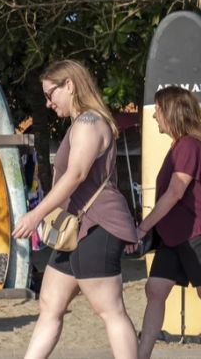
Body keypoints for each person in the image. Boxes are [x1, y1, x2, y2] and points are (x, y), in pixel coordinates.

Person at [11, 59, 138, 359]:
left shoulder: (88, 123)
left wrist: (36, 213)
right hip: (76, 228)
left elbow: (77, 174)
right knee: (50, 304)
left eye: (50, 94)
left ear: (69, 85)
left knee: (110, 310)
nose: (48, 103)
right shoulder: (83, 123)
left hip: (97, 226)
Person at [126, 86, 201, 359]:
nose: (155, 117)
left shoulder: (189, 145)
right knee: (155, 289)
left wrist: (143, 227)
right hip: (174, 235)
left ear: (171, 112)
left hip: (196, 232)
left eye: (159, 110)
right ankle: (142, 355)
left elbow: (176, 192)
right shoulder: (180, 145)